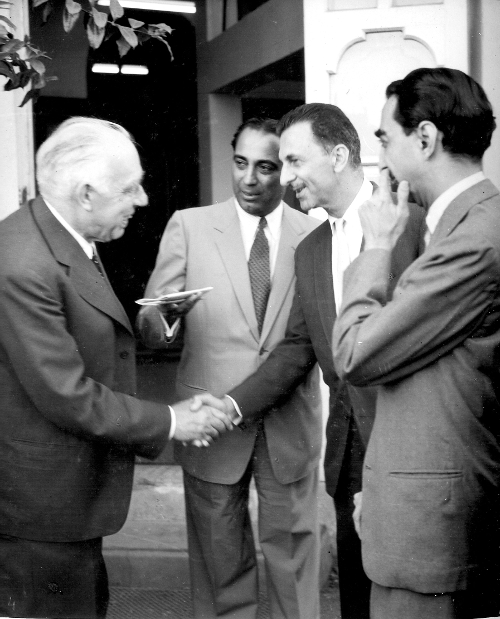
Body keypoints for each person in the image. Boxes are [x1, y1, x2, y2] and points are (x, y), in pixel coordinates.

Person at [0, 117, 232, 619]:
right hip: (41, 514)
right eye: (130, 188)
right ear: (85, 194)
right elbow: (68, 395)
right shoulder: (23, 262)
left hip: (66, 502)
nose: (144, 199)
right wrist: (173, 420)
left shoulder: (61, 238)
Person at [201, 103, 424, 619]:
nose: (288, 177)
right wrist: (231, 407)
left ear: (340, 155)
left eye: (296, 162)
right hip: (349, 457)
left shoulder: (413, 224)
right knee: (357, 600)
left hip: (413, 449)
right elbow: (299, 348)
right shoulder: (311, 248)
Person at [137, 117, 322, 619]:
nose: (249, 179)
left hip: (289, 422)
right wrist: (164, 320)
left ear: (285, 170)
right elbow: (149, 321)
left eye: (265, 168)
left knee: (295, 563)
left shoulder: (316, 233)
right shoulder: (189, 225)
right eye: (241, 164)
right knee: (220, 569)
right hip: (210, 420)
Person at [332, 68, 500, 619]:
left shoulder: (475, 235)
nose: (377, 155)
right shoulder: (460, 224)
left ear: (425, 138)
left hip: (430, 523)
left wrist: (375, 246)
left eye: (384, 137)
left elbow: (357, 353)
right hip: (419, 506)